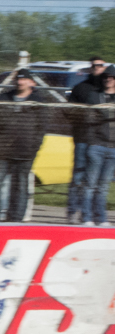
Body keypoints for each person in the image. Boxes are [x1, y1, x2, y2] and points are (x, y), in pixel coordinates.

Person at [0, 72, 52, 222]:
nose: (20, 82)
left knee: (20, 185)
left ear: (31, 82)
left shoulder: (38, 102)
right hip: (2, 151)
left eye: (24, 79)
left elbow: (42, 128)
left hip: (25, 151)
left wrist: (34, 147)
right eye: (18, 79)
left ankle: (16, 219)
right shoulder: (3, 98)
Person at [66, 57, 110, 223]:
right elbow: (68, 111)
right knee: (79, 175)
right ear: (90, 68)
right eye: (94, 65)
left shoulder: (108, 89)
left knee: (98, 180)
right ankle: (73, 211)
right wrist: (85, 117)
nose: (97, 68)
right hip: (83, 138)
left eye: (101, 65)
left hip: (102, 141)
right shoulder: (80, 88)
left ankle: (92, 213)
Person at [74, 69, 115, 227]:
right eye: (106, 77)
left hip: (113, 148)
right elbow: (88, 121)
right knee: (90, 184)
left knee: (103, 186)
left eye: (111, 77)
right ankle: (87, 217)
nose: (108, 79)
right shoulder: (94, 96)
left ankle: (101, 218)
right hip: (97, 146)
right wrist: (92, 142)